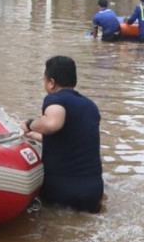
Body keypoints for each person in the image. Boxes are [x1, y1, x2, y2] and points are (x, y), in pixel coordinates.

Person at [22, 56, 103, 213]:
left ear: (51, 82)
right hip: (93, 194)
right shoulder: (91, 106)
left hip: (61, 193)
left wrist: (29, 124)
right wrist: (36, 136)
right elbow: (72, 138)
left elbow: (52, 124)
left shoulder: (55, 99)